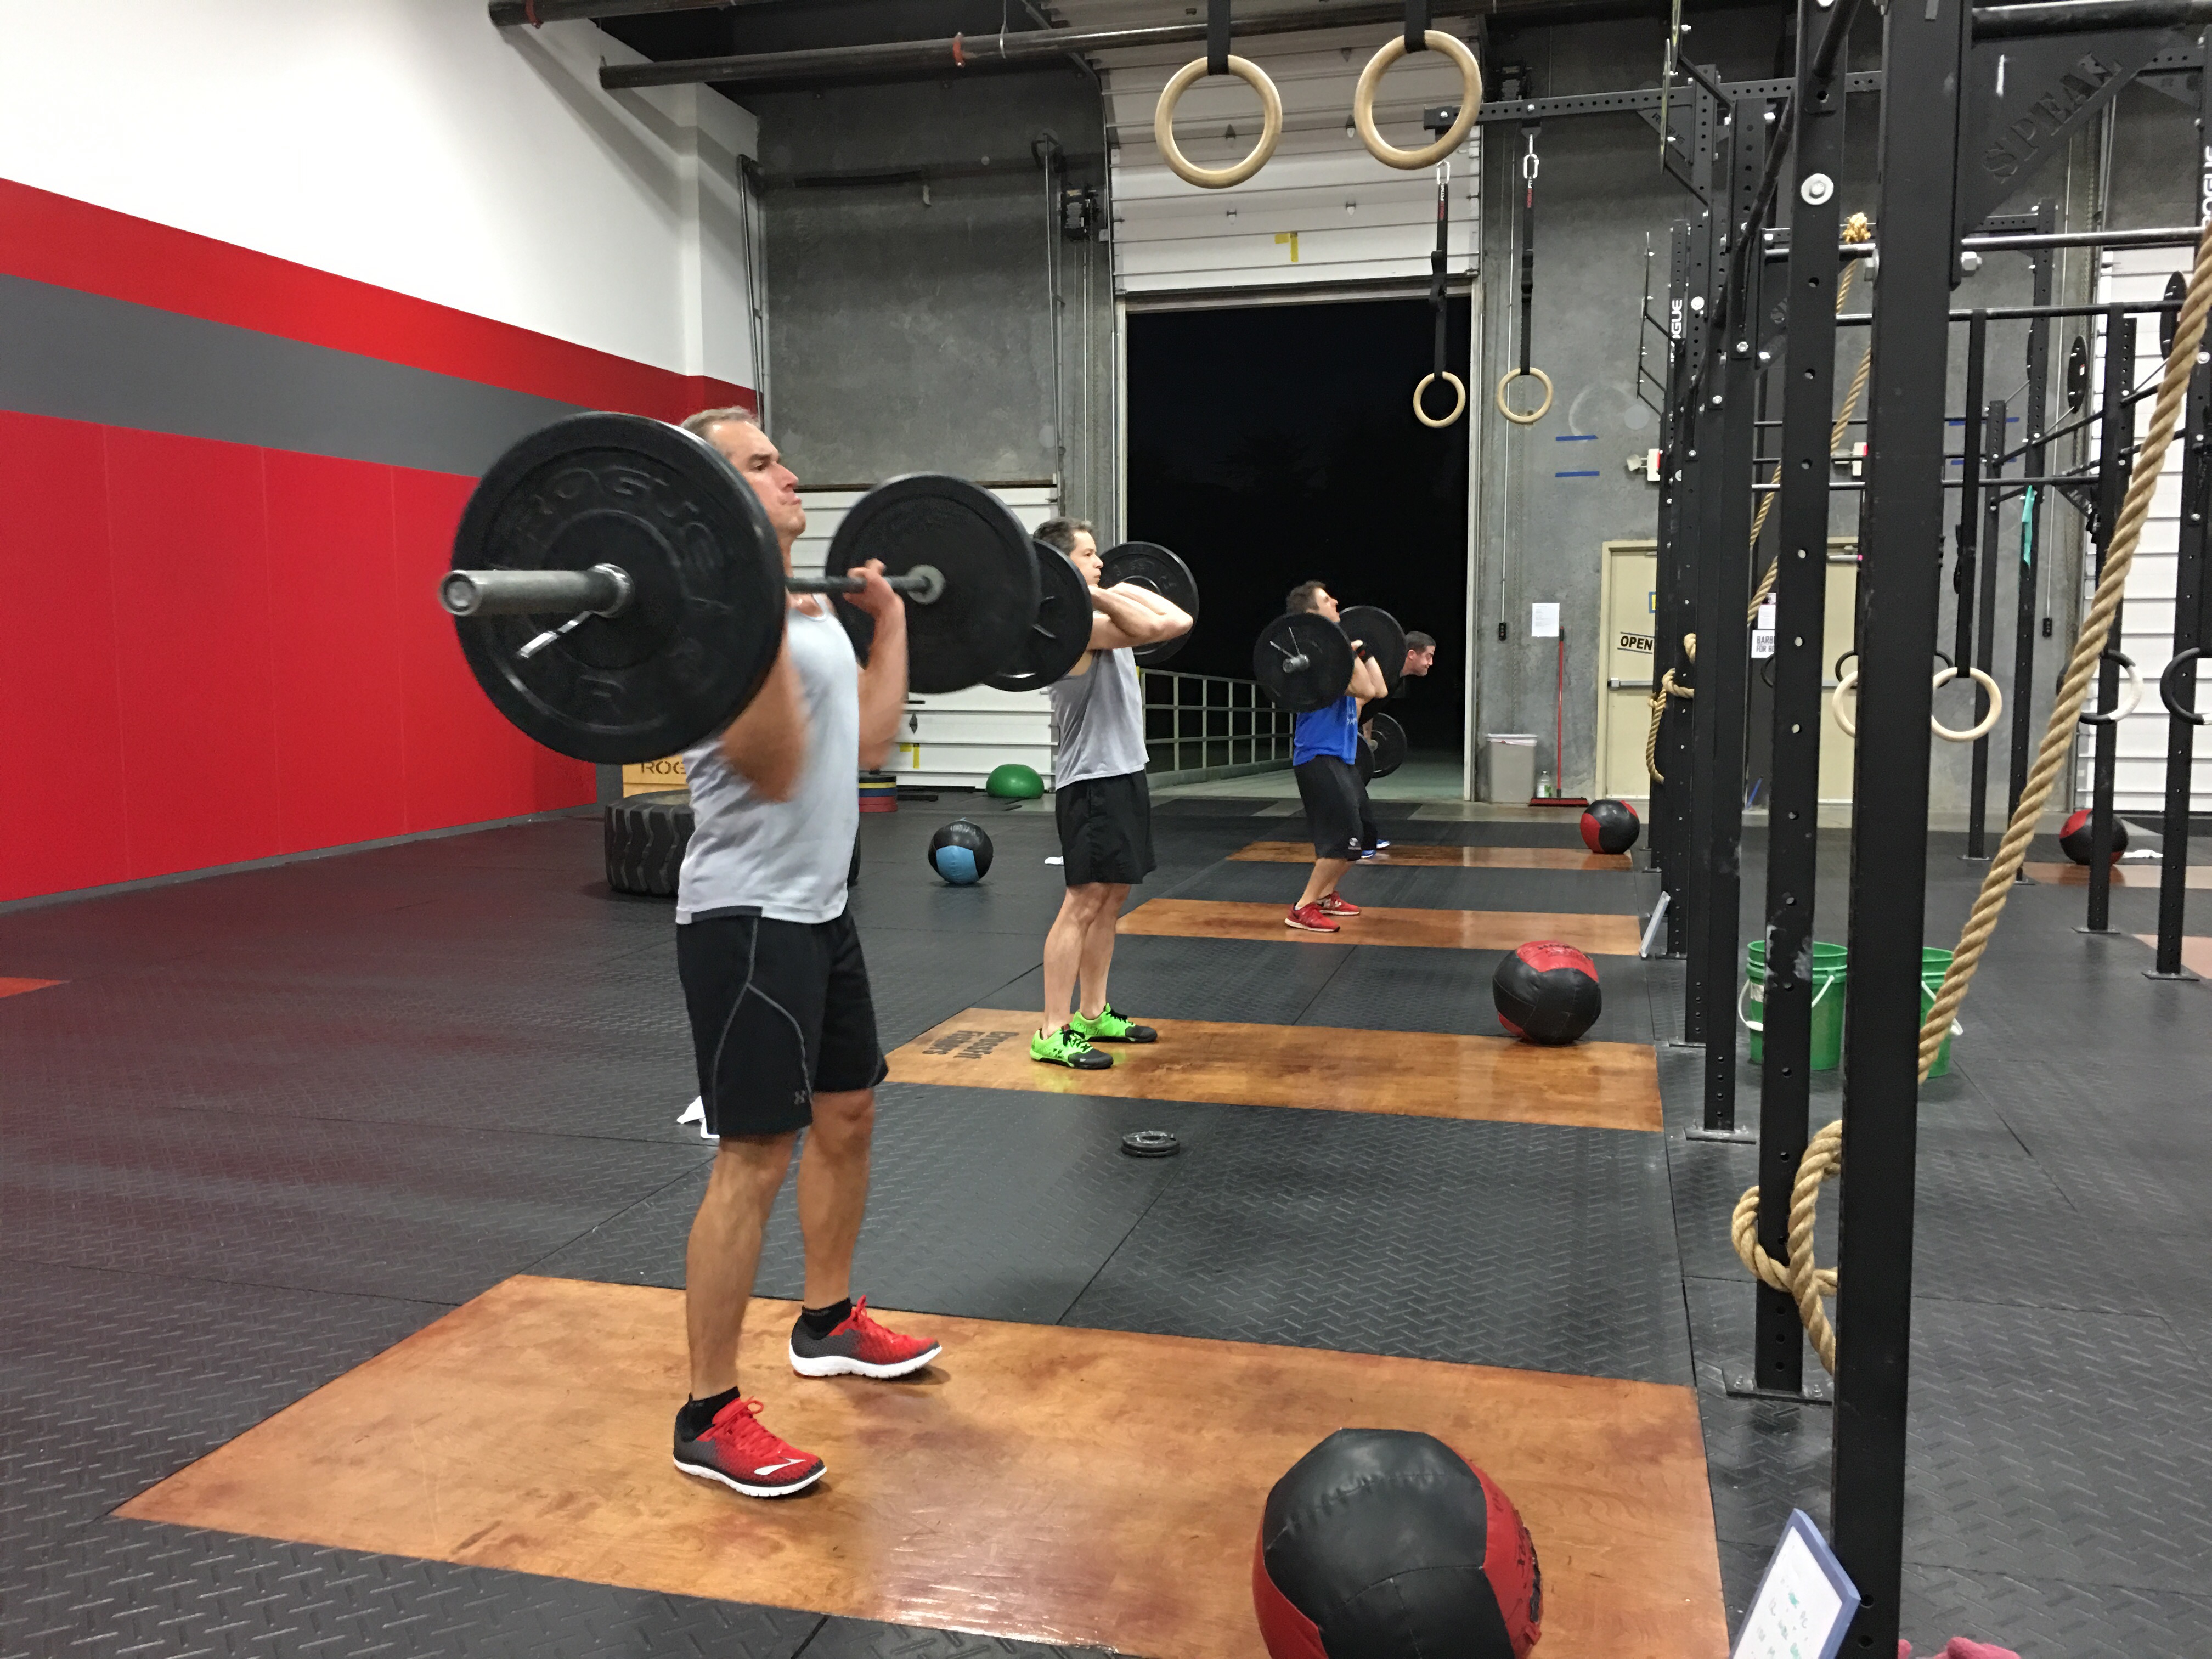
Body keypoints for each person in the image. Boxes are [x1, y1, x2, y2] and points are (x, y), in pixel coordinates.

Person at [668, 406, 940, 1501]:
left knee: (851, 1111)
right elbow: (775, 765)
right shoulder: (716, 619)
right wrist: (754, 617)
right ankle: (706, 1413)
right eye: (761, 463)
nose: (790, 473)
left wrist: (888, 622)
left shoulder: (807, 605)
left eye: (782, 455)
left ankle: (825, 1320)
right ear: (715, 496)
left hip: (820, 909)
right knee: (753, 1156)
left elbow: (868, 743)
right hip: (745, 918)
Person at [1031, 518, 1193, 1069]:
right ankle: (1052, 1029)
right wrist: (1100, 594)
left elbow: (1178, 617)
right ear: (1061, 565)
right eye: (1089, 554)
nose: (1102, 562)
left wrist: (1106, 589)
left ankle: (1092, 1013)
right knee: (1082, 902)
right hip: (1092, 781)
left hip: (1123, 772)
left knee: (1112, 898)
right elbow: (1161, 626)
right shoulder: (1072, 629)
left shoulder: (1100, 614)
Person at [1283, 581, 1387, 932]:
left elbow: (1378, 690)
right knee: (1341, 838)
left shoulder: (1335, 657)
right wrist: (1347, 650)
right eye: (1327, 600)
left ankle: (1327, 896)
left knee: (1363, 837)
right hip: (1318, 756)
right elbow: (1364, 687)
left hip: (1342, 758)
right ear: (1311, 614)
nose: (1336, 601)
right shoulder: (1317, 661)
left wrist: (1364, 652)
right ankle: (1303, 907)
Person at [1355, 630, 1439, 859]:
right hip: (1337, 733)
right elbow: (1358, 700)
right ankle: (1361, 841)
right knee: (1351, 788)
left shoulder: (1395, 677)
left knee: (1355, 786)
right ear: (1411, 654)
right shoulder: (1385, 671)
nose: (1431, 663)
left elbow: (1370, 707)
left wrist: (1366, 737)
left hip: (1350, 731)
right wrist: (1349, 734)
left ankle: (1363, 839)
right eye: (1428, 657)